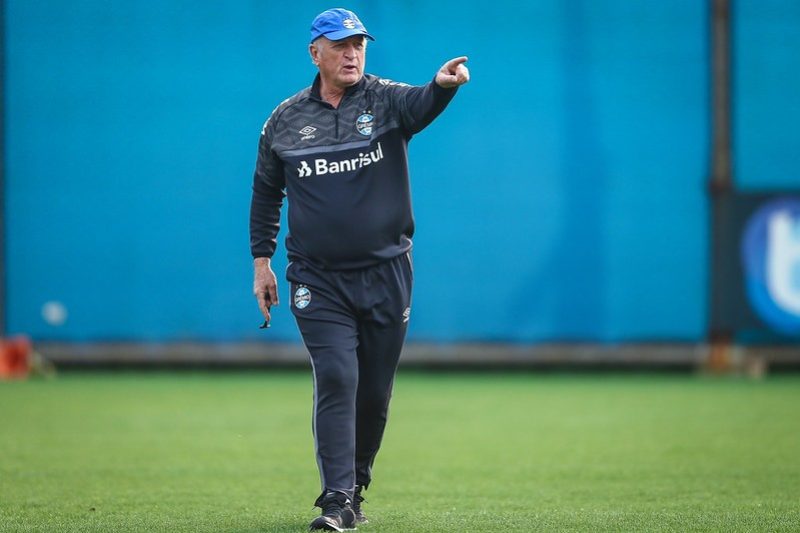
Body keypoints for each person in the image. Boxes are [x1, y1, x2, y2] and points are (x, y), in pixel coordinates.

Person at [249, 7, 469, 531]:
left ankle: (357, 484)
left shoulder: (385, 100)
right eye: (340, 44)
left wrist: (442, 86)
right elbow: (265, 192)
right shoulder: (284, 120)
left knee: (373, 391)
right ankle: (336, 500)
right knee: (337, 375)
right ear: (315, 53)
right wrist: (262, 261)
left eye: (359, 45)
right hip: (316, 278)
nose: (352, 53)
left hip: (386, 273)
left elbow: (421, 102)